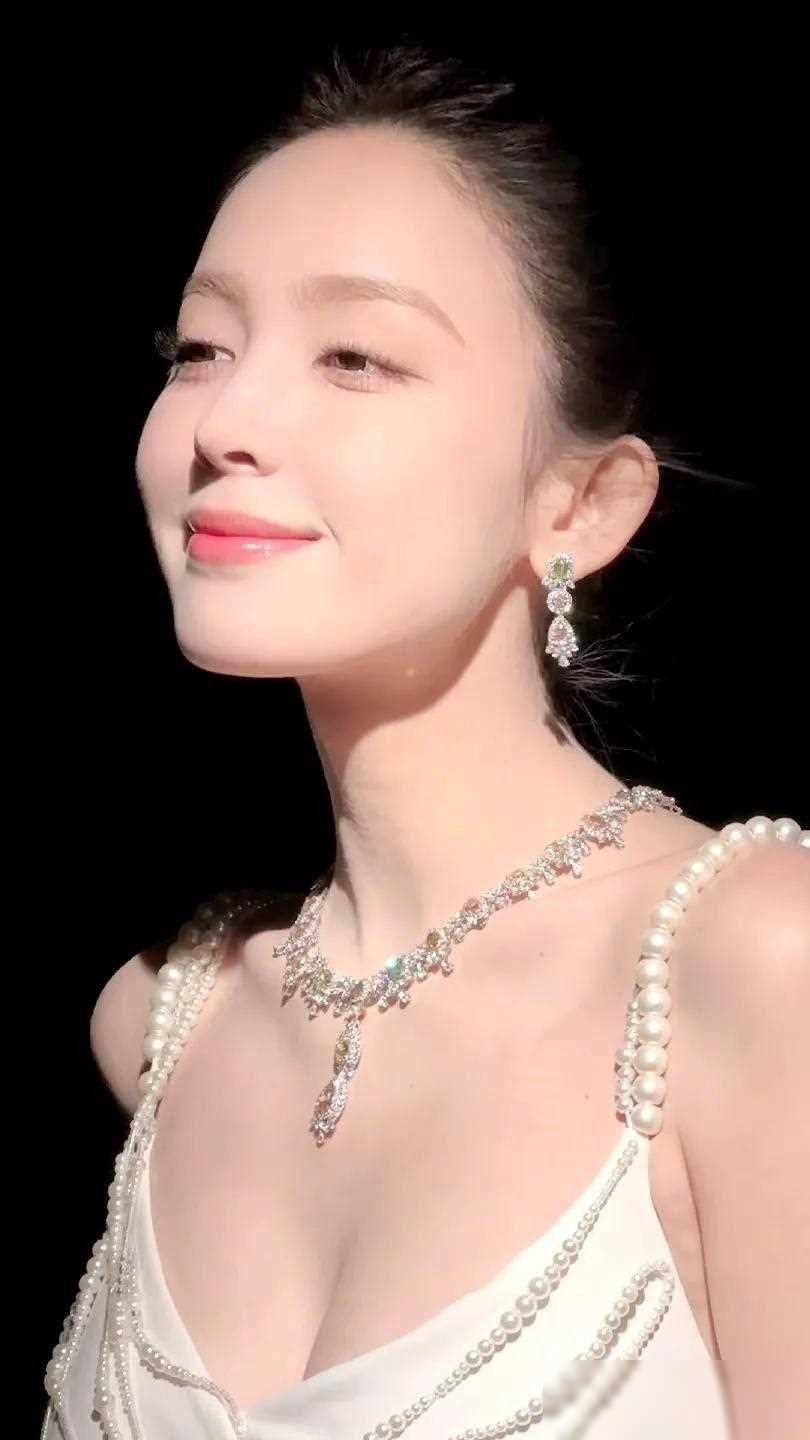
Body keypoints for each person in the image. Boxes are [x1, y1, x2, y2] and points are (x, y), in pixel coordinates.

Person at [42, 42, 808, 1440]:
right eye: (201, 348)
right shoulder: (164, 1022)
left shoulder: (753, 965)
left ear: (579, 505)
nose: (228, 422)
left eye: (356, 356)